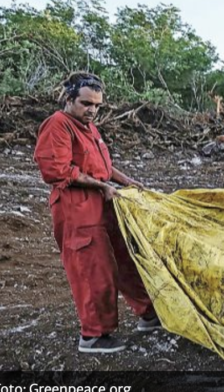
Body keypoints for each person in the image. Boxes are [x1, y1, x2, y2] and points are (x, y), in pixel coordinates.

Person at [33, 72, 160, 354]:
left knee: (125, 258)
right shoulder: (58, 125)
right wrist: (102, 185)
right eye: (86, 103)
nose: (92, 110)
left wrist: (126, 181)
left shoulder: (88, 126)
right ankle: (93, 335)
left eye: (97, 105)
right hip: (76, 209)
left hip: (103, 204)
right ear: (69, 99)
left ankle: (148, 315)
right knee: (93, 269)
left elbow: (101, 164)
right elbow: (57, 170)